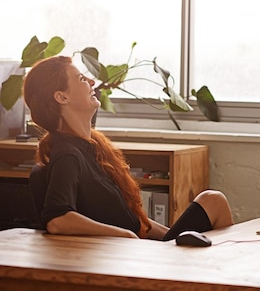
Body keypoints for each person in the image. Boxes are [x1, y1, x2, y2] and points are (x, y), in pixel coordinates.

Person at [23, 56, 233, 240]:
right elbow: (57, 219)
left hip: (142, 249)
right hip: (130, 259)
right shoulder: (68, 155)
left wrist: (176, 238)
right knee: (212, 200)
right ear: (62, 97)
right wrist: (123, 234)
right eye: (81, 79)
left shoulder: (92, 149)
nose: (92, 81)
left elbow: (136, 223)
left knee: (214, 202)